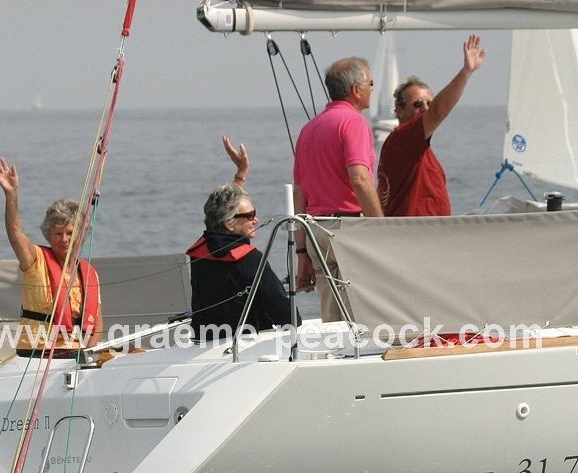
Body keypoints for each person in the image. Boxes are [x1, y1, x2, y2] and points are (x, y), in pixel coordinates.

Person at [292, 57, 383, 322]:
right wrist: (382, 227)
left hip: (315, 231)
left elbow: (300, 195)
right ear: (356, 89)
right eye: (370, 83)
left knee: (332, 316)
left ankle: (332, 359)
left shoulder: (308, 129)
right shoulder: (353, 123)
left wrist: (301, 252)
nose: (372, 89)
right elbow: (360, 178)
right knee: (359, 315)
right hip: (346, 229)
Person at [0, 157, 103, 355]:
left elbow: (97, 328)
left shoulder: (89, 273)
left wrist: (86, 355)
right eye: (58, 234)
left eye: (70, 233)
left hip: (77, 356)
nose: (64, 239)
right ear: (48, 235)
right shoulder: (35, 259)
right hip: (38, 353)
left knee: (136, 353)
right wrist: (11, 195)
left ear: (81, 235)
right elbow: (15, 234)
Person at [187, 141, 296, 340]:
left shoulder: (201, 251)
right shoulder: (249, 260)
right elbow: (288, 317)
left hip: (204, 341)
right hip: (246, 349)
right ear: (229, 223)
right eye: (250, 215)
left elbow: (217, 210)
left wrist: (241, 174)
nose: (256, 219)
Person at [378, 34, 486, 217]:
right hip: (416, 237)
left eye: (430, 103)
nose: (426, 109)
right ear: (399, 110)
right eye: (418, 104)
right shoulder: (402, 140)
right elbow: (439, 111)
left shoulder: (413, 147)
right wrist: (466, 72)